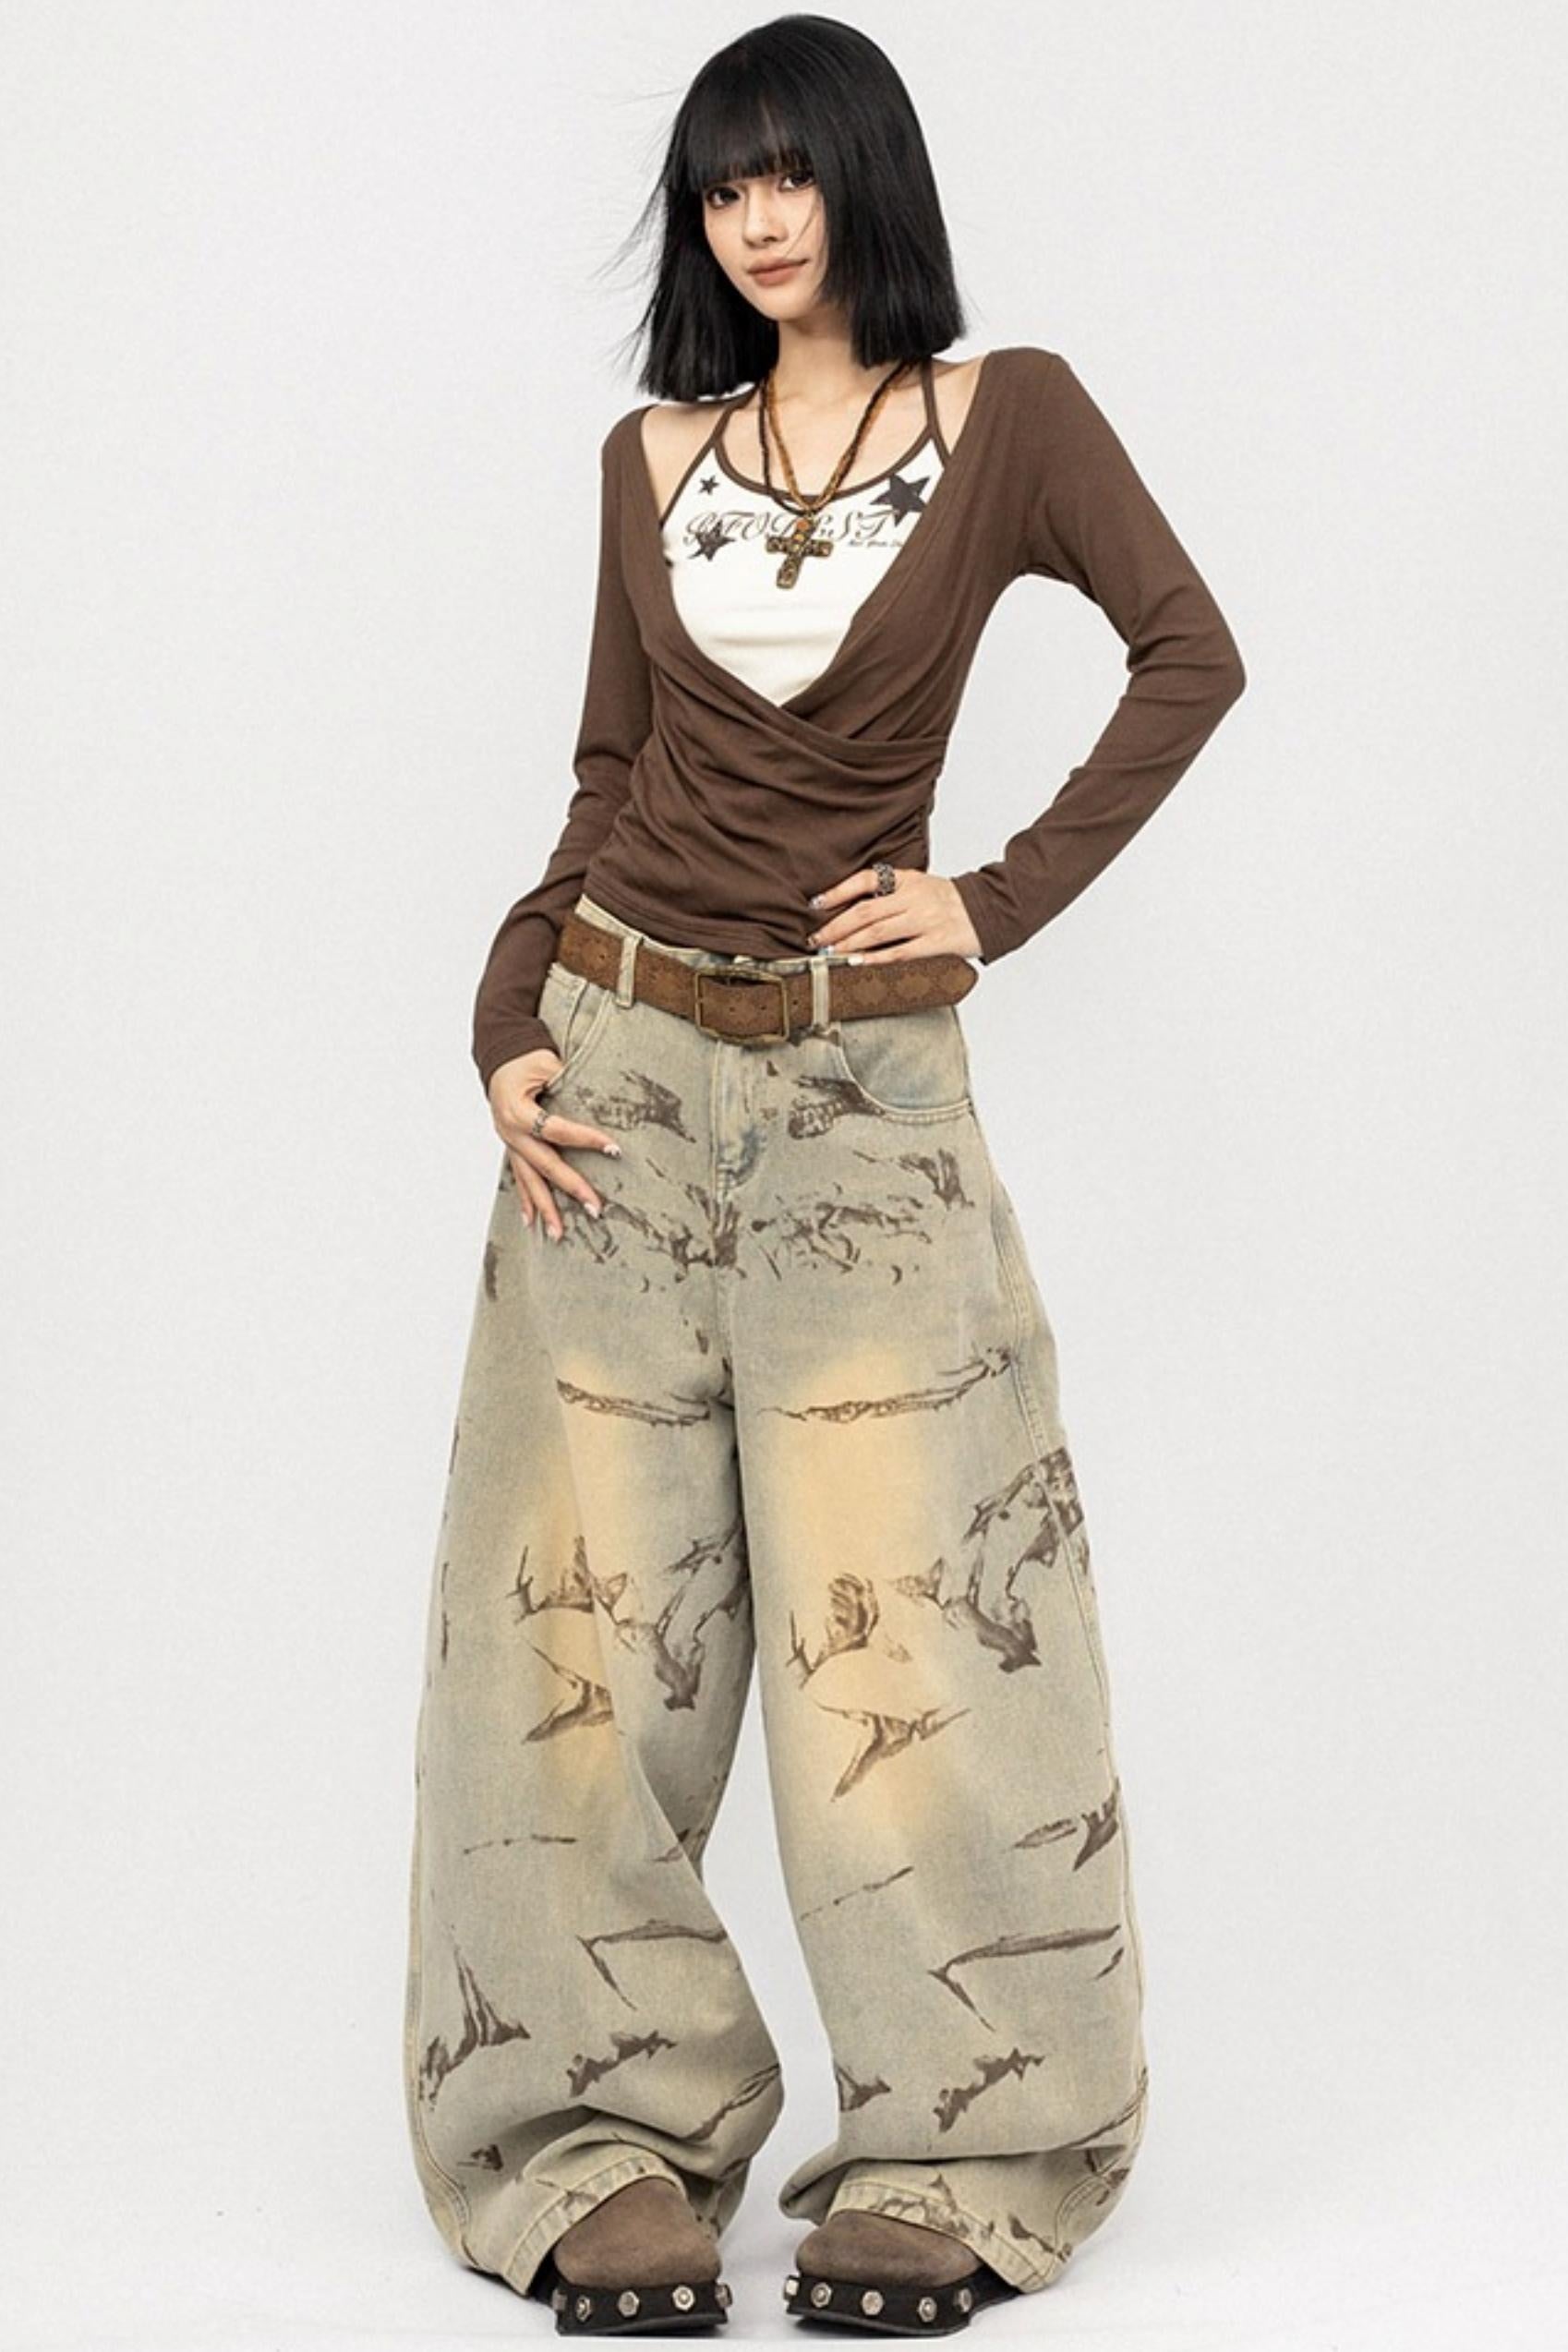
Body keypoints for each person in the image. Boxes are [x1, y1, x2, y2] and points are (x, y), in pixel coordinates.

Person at [403, 16, 1245, 2340]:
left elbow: (1190, 654)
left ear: (869, 178)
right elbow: (608, 770)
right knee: (575, 1625)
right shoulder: (652, 454)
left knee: (920, 1615)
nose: (760, 218)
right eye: (721, 186)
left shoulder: (1011, 417)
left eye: (790, 171)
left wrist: (994, 896)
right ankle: (590, 2136)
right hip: (612, 1065)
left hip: (861, 1091)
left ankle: (968, 2141)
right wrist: (502, 1018)